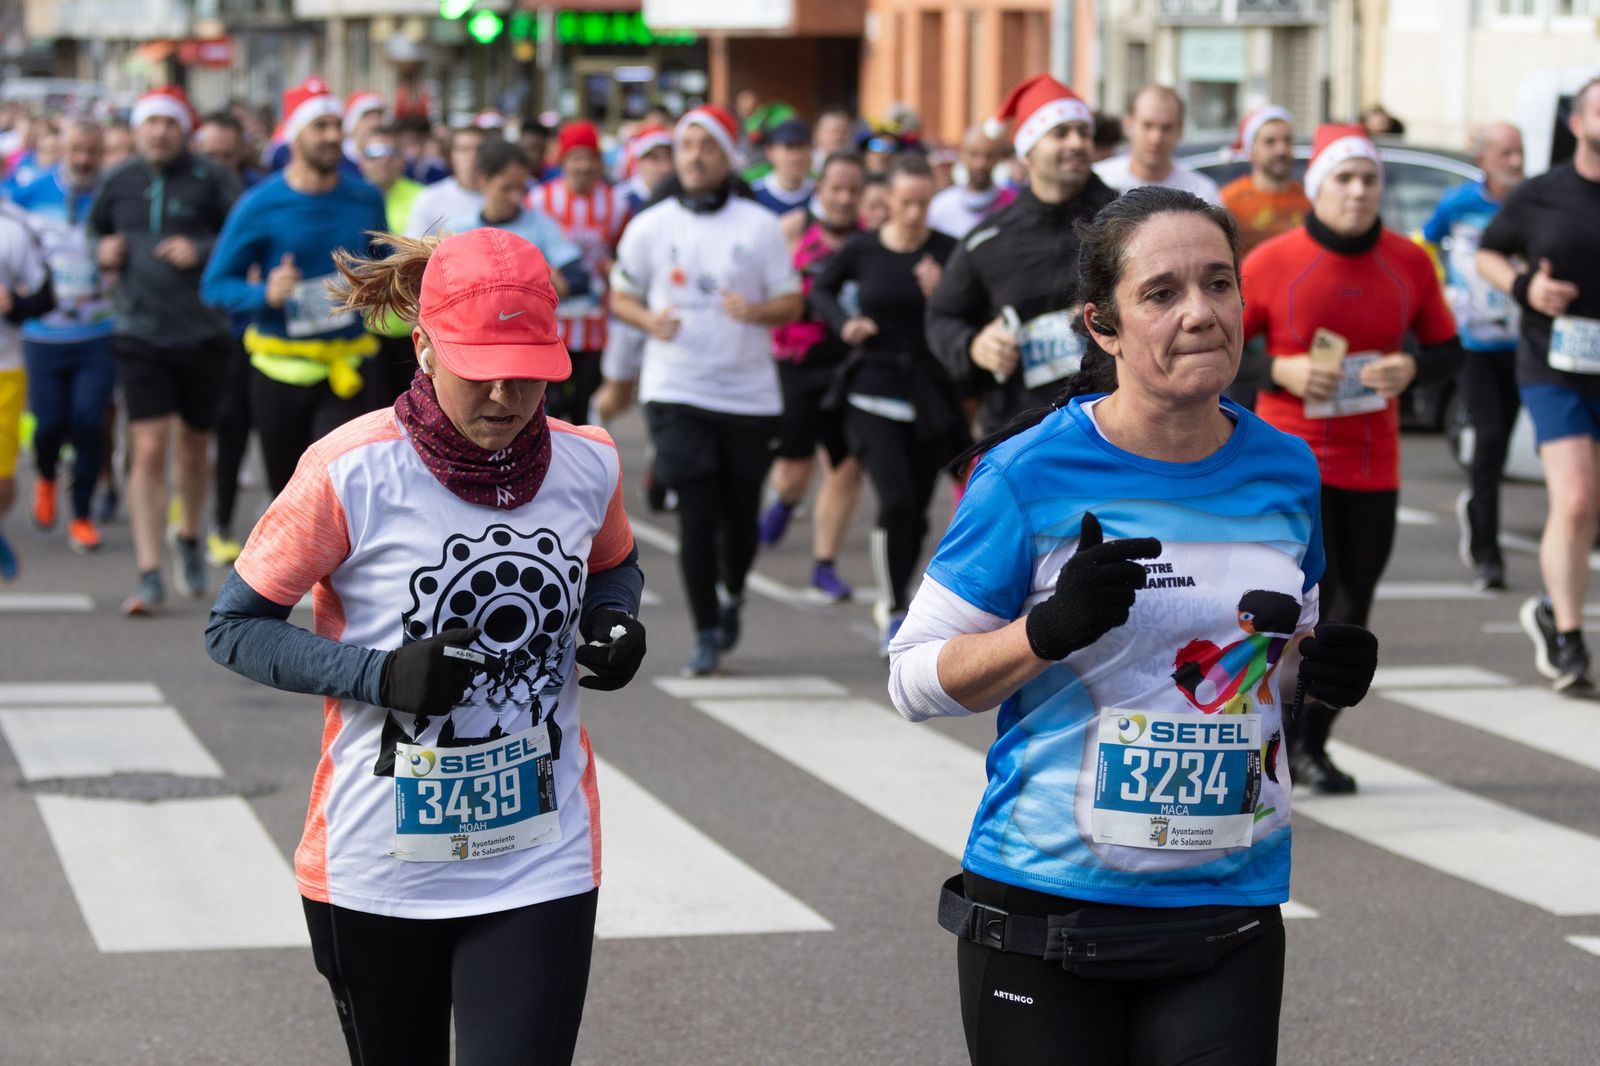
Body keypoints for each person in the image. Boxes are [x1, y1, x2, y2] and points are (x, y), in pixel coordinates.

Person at [887, 187, 1379, 1066]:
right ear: (1103, 326)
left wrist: (1317, 668)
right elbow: (912, 678)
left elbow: (1273, 655)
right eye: (1161, 293)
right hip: (1047, 910)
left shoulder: (1285, 468)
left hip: (1227, 904)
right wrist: (1044, 632)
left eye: (1219, 283)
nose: (1201, 313)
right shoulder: (1028, 474)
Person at [205, 226, 646, 1066]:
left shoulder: (588, 464)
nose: (505, 396)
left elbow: (614, 566)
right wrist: (381, 675)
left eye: (528, 372)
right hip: (380, 866)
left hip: (539, 858)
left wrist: (614, 621)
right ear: (423, 347)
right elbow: (233, 628)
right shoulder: (349, 470)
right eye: (480, 370)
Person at [1243, 125, 1460, 787]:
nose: (1359, 190)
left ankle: (1311, 745)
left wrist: (1412, 368)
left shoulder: (1409, 262)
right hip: (1291, 462)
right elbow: (1223, 351)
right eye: (1344, 178)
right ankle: (1261, 735)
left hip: (1372, 463)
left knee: (1349, 606)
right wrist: (1278, 369)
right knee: (1287, 604)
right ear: (1317, 186)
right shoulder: (1273, 261)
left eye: (1369, 178)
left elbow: (1448, 350)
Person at [610, 105, 802, 675]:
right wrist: (649, 321)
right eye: (686, 145)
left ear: (729, 157)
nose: (695, 156)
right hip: (675, 387)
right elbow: (620, 296)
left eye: (708, 146)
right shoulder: (650, 224)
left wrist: (758, 311)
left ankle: (733, 591)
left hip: (747, 394)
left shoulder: (758, 225)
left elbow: (792, 302)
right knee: (696, 512)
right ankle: (703, 632)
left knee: (739, 520)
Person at [87, 86, 240, 614]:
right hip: (138, 329)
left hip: (202, 331)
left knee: (194, 446)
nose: (159, 132)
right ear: (137, 129)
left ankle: (189, 536)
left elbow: (241, 238)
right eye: (150, 122)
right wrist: (101, 250)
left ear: (184, 130)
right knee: (149, 446)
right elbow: (94, 229)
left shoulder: (210, 178)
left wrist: (200, 248)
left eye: (169, 123)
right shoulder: (119, 179)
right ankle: (149, 571)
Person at [201, 77, 389, 498]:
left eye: (336, 125)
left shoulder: (365, 198)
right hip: (279, 371)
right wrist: (263, 295)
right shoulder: (259, 203)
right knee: (289, 497)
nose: (332, 136)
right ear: (294, 134)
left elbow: (384, 264)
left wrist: (382, 281)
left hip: (348, 367)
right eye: (320, 126)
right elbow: (215, 285)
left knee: (341, 490)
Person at [812, 155, 963, 651]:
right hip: (871, 387)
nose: (915, 213)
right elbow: (821, 290)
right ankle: (894, 606)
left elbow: (970, 311)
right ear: (888, 201)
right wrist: (845, 324)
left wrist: (942, 294)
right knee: (894, 500)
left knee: (915, 511)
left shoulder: (948, 252)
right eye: (906, 203)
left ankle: (901, 594)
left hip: (929, 391)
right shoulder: (864, 248)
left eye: (924, 203)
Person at [1479, 78, 1600, 691]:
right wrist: (1528, 288)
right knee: (1575, 499)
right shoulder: (1541, 194)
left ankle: (1553, 607)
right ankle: (1571, 640)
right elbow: (1488, 254)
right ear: (1577, 123)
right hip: (1555, 368)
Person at [927, 74, 1117, 437]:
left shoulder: (1125, 221)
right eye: (1060, 133)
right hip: (1021, 431)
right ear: (1027, 151)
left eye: (1084, 132)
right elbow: (941, 316)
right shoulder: (989, 239)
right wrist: (974, 346)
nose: (1077, 143)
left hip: (1113, 427)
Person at [760, 151, 867, 602]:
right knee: (793, 471)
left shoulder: (870, 239)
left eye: (853, 190)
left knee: (845, 466)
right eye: (836, 189)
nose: (844, 198)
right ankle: (785, 501)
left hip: (851, 364)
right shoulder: (792, 230)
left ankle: (824, 564)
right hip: (798, 362)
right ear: (819, 188)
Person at [1422, 121, 1524, 591]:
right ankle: (1488, 554)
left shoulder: (1531, 203)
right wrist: (1444, 290)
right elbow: (1426, 243)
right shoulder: (1458, 203)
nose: (1516, 161)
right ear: (1482, 159)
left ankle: (1477, 509)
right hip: (1473, 342)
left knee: (1500, 447)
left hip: (1522, 343)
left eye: (1519, 152)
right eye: (1505, 153)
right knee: (1490, 434)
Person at [12, 119, 114, 554]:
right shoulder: (29, 192)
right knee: (49, 423)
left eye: (92, 151)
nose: (84, 160)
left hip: (99, 331)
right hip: (43, 333)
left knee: (89, 421)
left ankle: (81, 516)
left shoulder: (113, 193)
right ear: (61, 149)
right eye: (76, 151)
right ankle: (46, 476)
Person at [532, 121, 626, 425]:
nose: (583, 166)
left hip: (595, 324)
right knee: (548, 406)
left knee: (585, 406)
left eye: (590, 157)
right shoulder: (540, 200)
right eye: (576, 158)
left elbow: (621, 251)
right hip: (549, 323)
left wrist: (614, 268)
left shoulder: (616, 203)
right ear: (563, 160)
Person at [451, 141, 588, 301]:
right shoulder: (459, 230)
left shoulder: (542, 226)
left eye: (521, 188)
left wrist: (556, 285)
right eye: (506, 188)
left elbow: (579, 279)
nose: (516, 197)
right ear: (483, 180)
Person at [0, 200, 53, 579]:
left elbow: (44, 298)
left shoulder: (12, 228)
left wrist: (15, 304)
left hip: (4, 369)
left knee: (2, 481)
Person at [359, 123, 428, 409]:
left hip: (414, 328)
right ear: (361, 159)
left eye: (391, 151)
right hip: (363, 330)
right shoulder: (349, 199)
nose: (383, 159)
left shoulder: (423, 198)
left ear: (402, 158)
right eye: (374, 152)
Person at [1095, 85, 1220, 205]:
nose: (1156, 138)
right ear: (1128, 124)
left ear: (1180, 130)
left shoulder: (1203, 193)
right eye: (1147, 126)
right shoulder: (1098, 181)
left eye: (1166, 128)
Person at [1219, 105, 1309, 256]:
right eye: (1270, 142)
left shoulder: (1310, 200)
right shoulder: (1228, 201)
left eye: (1287, 140)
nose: (1281, 150)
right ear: (1251, 151)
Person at [927, 126, 1016, 238]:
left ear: (999, 158)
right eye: (974, 154)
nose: (981, 164)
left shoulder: (1012, 205)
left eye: (989, 156)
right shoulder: (940, 207)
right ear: (962, 155)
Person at [405, 124, 487, 236]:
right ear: (451, 156)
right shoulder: (429, 198)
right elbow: (415, 243)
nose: (473, 156)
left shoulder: (503, 195)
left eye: (480, 149)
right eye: (464, 149)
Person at [751, 118, 815, 216]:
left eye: (802, 147)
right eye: (789, 147)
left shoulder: (820, 193)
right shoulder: (753, 194)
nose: (797, 157)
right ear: (770, 152)